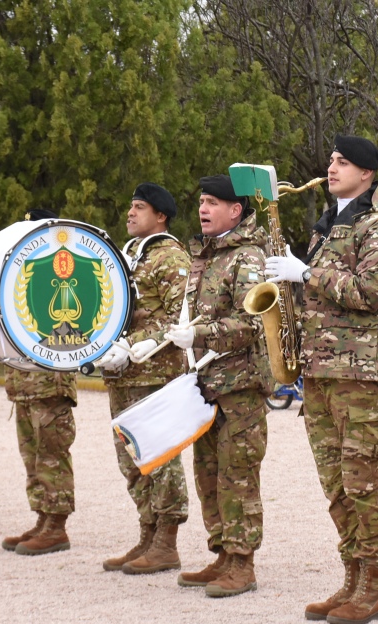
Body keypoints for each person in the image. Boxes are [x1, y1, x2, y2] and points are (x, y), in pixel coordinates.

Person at [264, 133, 378, 624]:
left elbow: (375, 291)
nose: (331, 167)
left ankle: (372, 586)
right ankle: (350, 578)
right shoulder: (331, 223)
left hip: (361, 373)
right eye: (330, 159)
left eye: (343, 162)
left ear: (367, 173)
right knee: (336, 484)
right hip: (323, 370)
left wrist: (305, 274)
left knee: (363, 479)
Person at [163, 175, 269, 598]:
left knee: (238, 475)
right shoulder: (204, 256)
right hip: (206, 385)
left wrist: (201, 334)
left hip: (240, 387)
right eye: (201, 201)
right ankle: (223, 554)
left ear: (235, 210)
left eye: (212, 202)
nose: (203, 209)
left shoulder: (248, 257)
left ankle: (243, 564)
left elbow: (252, 323)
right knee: (208, 474)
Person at [96, 184, 191, 574]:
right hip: (123, 375)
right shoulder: (126, 255)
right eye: (130, 206)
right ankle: (147, 535)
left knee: (159, 456)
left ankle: (167, 543)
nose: (131, 213)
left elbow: (177, 317)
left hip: (155, 375)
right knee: (131, 459)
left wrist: (131, 343)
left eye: (140, 207)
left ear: (161, 216)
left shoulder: (171, 258)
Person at [0, 207, 81, 557]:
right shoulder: (23, 272)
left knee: (51, 453)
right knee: (31, 454)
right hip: (24, 381)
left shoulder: (59, 271)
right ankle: (42, 517)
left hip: (50, 381)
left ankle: (57, 526)